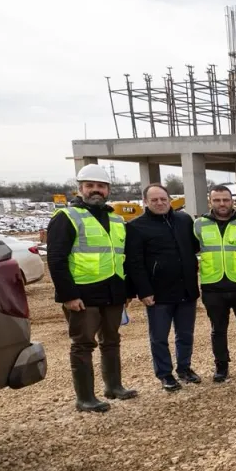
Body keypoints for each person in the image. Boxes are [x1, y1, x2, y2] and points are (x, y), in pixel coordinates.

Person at [46, 164, 137, 412]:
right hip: (83, 294)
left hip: (113, 292)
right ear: (80, 189)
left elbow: (123, 258)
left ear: (108, 190)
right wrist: (68, 295)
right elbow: (56, 259)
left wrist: (126, 291)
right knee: (83, 345)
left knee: (112, 341)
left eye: (101, 186)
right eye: (90, 186)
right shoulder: (66, 217)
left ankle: (114, 387)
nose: (96, 190)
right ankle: (85, 398)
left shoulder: (116, 219)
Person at [124, 184, 201, 392]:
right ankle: (165, 374)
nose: (159, 203)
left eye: (163, 199)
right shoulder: (136, 227)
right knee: (159, 337)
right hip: (158, 294)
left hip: (186, 289)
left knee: (185, 334)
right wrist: (143, 291)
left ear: (169, 199)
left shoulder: (184, 220)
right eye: (154, 200)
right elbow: (134, 263)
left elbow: (193, 248)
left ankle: (184, 368)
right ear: (145, 202)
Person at [195, 185, 236, 382]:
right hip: (213, 286)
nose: (222, 204)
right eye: (217, 200)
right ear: (210, 202)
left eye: (225, 199)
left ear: (232, 201)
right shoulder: (199, 225)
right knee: (218, 330)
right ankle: (221, 366)